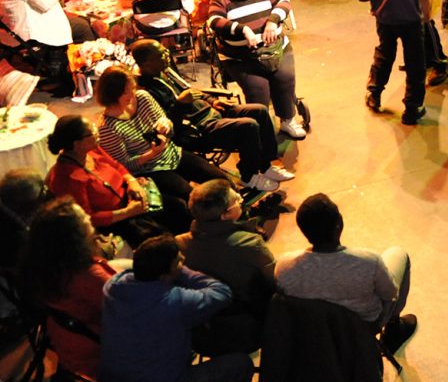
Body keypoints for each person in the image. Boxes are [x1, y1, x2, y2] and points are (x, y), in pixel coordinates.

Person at [101, 234, 253, 382]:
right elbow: (222, 292)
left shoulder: (113, 286)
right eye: (179, 261)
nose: (183, 260)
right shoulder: (174, 301)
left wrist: (172, 268)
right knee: (241, 364)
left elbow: (130, 272)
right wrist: (183, 271)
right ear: (165, 274)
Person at [130, 38, 292, 193]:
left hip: (209, 111)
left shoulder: (166, 71)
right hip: (196, 128)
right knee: (249, 126)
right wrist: (180, 104)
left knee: (260, 111)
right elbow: (167, 127)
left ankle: (266, 166)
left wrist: (212, 101)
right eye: (160, 55)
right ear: (146, 63)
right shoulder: (145, 93)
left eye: (165, 52)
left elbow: (192, 90)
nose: (166, 56)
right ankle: (249, 176)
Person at [275, 193, 417, 352]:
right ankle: (393, 329)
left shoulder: (284, 267)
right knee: (398, 254)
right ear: (340, 224)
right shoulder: (368, 262)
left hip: (318, 331)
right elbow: (390, 294)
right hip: (364, 327)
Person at [95, 65, 230, 231]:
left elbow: (166, 123)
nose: (131, 94)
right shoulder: (107, 127)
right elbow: (123, 164)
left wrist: (166, 126)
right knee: (193, 199)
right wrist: (151, 153)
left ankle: (234, 219)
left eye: (132, 88)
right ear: (111, 95)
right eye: (125, 92)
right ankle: (214, 231)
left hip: (172, 153)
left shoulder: (143, 98)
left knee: (221, 180)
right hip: (150, 169)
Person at [18, 198, 115, 378]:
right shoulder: (90, 277)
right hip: (100, 355)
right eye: (84, 218)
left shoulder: (45, 265)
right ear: (76, 235)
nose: (88, 217)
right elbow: (129, 309)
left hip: (68, 346)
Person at [176, 180, 276, 354]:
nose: (240, 201)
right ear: (225, 215)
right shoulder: (248, 243)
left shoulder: (179, 244)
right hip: (248, 329)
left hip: (202, 333)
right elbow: (275, 280)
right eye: (236, 200)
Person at [207, 0, 306, 138]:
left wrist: (273, 20)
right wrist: (241, 29)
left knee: (284, 79)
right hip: (241, 58)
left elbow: (284, 2)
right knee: (258, 89)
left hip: (275, 50)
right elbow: (214, 20)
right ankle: (261, 130)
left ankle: (287, 120)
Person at [46, 114, 166, 246]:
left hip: (130, 198)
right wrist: (127, 212)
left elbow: (116, 166)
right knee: (159, 238)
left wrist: (132, 183)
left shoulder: (91, 149)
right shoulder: (68, 178)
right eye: (91, 131)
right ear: (77, 144)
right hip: (116, 222)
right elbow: (87, 217)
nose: (96, 130)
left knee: (178, 207)